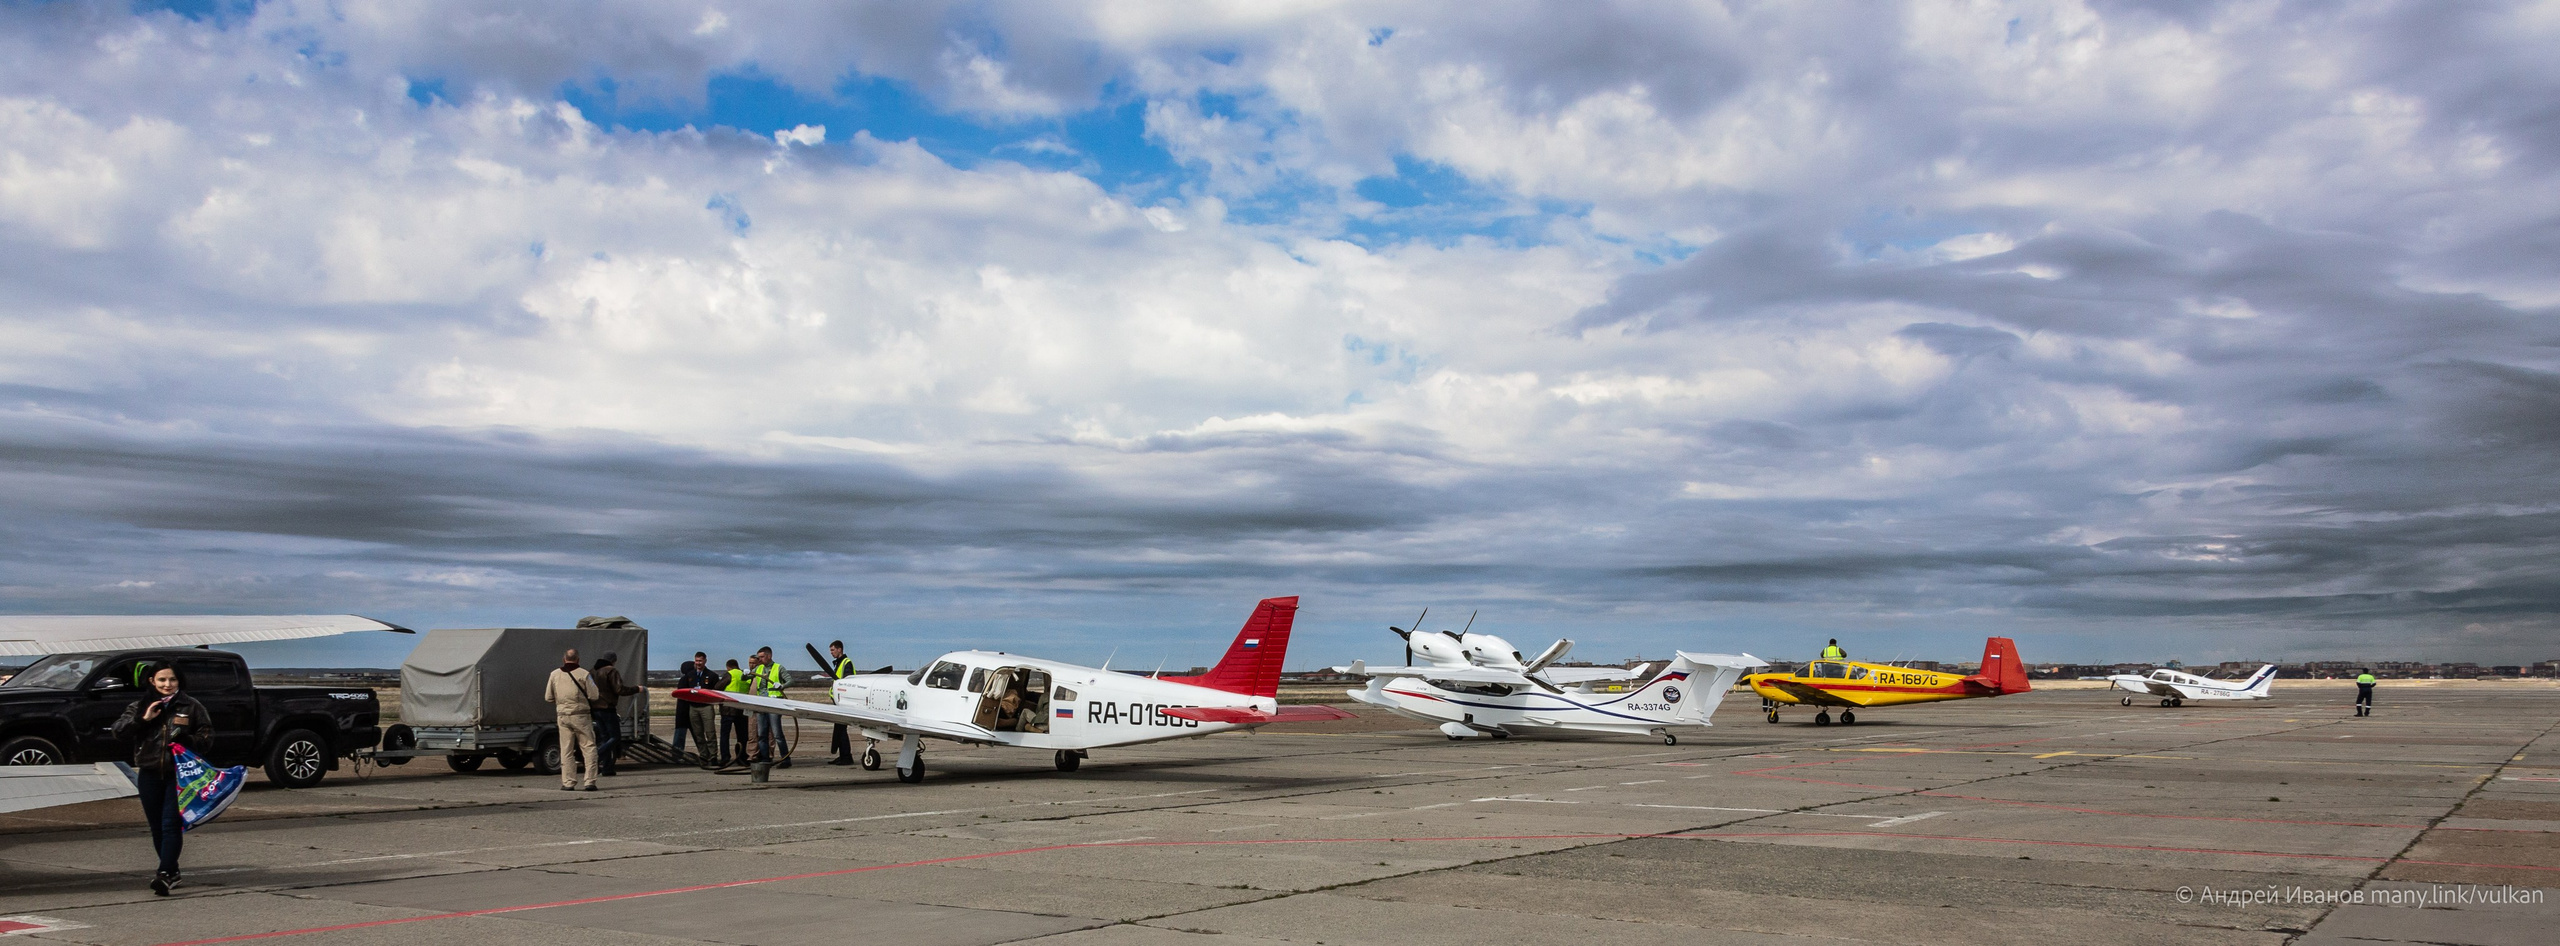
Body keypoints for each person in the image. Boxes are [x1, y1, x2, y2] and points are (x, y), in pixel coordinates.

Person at [112, 662, 210, 895]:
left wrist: (190, 741)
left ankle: (164, 873)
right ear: (152, 681)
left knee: (170, 824)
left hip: (179, 775)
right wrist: (143, 719)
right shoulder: (139, 706)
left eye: (172, 680)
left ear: (179, 681)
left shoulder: (192, 706)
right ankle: (172, 871)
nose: (168, 684)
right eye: (162, 680)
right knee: (156, 826)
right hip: (149, 773)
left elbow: (207, 737)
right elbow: (119, 732)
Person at [544, 649, 602, 791]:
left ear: (564, 659)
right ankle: (589, 781)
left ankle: (568, 782)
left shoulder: (554, 674)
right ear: (578, 659)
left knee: (566, 749)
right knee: (588, 747)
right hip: (581, 715)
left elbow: (548, 697)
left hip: (563, 716)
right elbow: (594, 695)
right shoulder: (584, 674)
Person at [590, 653, 639, 776]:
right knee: (615, 737)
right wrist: (636, 689)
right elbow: (619, 689)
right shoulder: (611, 671)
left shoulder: (592, 671)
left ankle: (607, 768)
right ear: (613, 661)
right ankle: (597, 756)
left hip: (595, 709)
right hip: (608, 708)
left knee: (605, 738)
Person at [673, 651, 715, 765]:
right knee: (697, 734)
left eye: (699, 661)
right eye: (696, 661)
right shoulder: (687, 678)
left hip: (689, 710)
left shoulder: (706, 676)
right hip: (688, 710)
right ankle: (704, 754)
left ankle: (706, 755)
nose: (697, 664)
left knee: (699, 734)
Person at [751, 647, 789, 767]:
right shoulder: (759, 668)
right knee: (761, 733)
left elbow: (791, 680)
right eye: (759, 657)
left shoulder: (778, 667)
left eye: (762, 657)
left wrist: (781, 686)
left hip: (774, 704)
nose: (760, 659)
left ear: (769, 656)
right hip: (761, 703)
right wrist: (745, 674)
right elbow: (747, 678)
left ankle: (786, 759)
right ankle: (765, 759)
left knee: (777, 734)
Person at [825, 640, 857, 765]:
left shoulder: (846, 663)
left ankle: (847, 757)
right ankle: (842, 755)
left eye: (833, 650)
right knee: (839, 730)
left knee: (841, 730)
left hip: (843, 703)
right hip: (838, 702)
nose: (831, 653)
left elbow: (847, 681)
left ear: (839, 649)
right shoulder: (839, 663)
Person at [718, 658, 751, 768]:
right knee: (742, 736)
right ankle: (741, 757)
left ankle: (725, 758)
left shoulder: (729, 674)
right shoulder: (744, 675)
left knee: (725, 735)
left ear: (728, 667)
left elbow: (718, 687)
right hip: (742, 710)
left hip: (728, 709)